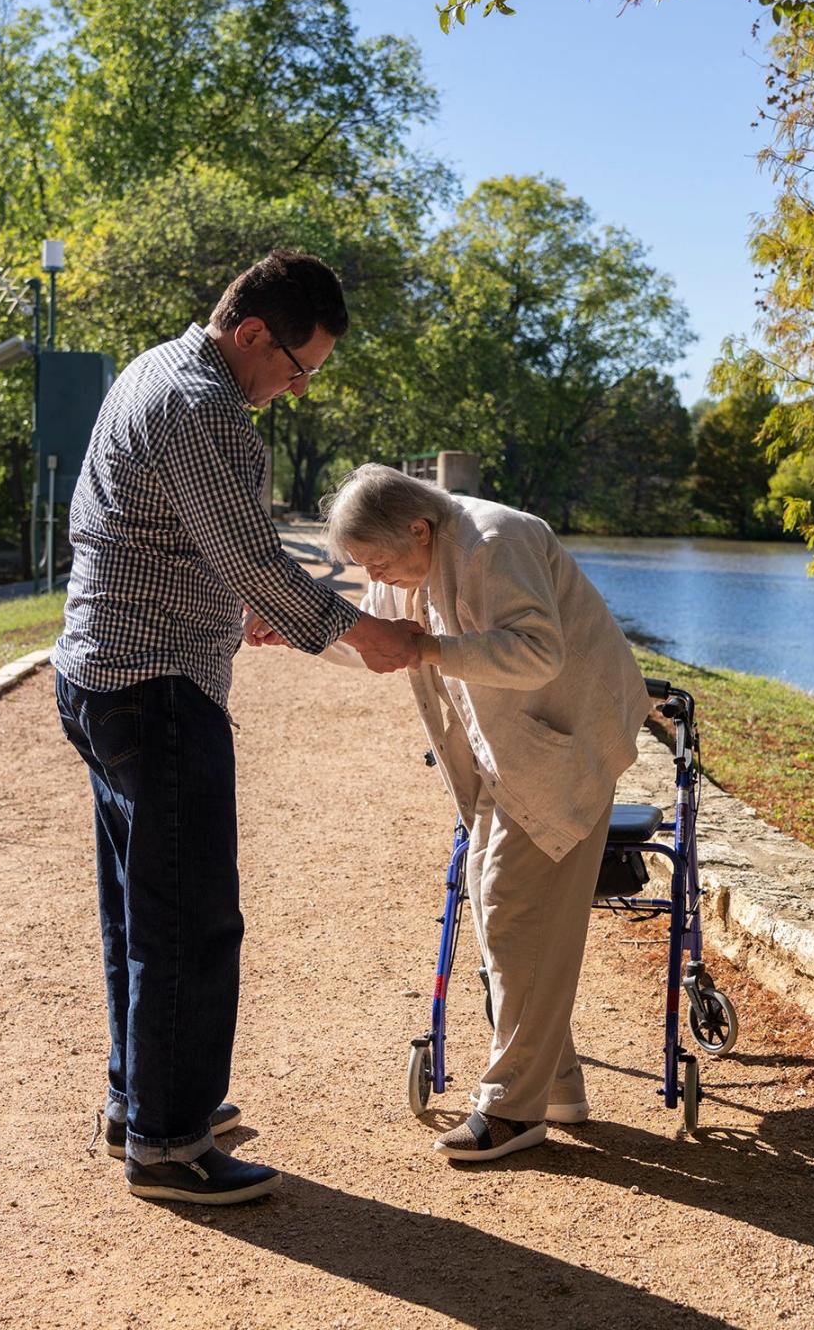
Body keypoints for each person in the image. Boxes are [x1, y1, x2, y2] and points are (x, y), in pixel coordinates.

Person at [53, 253, 421, 1205]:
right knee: (191, 920)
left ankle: (141, 1099)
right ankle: (171, 1145)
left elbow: (183, 537)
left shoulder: (151, 369)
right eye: (298, 370)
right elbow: (255, 555)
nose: (293, 393)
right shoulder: (207, 403)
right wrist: (358, 632)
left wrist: (238, 599)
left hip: (99, 674)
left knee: (140, 909)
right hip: (157, 689)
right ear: (252, 334)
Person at [246, 462, 650, 1163]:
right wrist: (300, 631)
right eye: (362, 565)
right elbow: (384, 644)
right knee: (505, 910)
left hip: (562, 739)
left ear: (419, 527)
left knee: (513, 907)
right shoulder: (412, 557)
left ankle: (513, 1110)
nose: (376, 577)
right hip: (507, 749)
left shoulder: (496, 541)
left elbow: (538, 651)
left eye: (378, 562)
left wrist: (428, 647)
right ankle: (555, 1085)